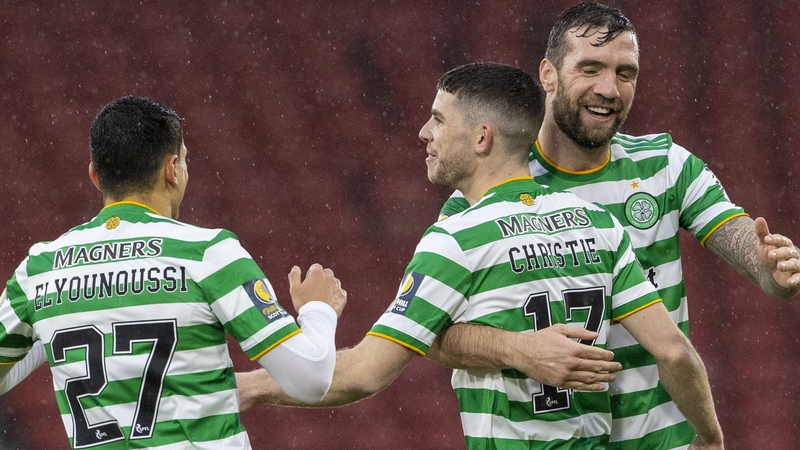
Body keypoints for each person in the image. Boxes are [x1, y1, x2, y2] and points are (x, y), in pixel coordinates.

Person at [236, 62, 724, 449]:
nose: (424, 132)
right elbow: (674, 351)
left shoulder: (457, 240)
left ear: (482, 138)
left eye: (438, 120)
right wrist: (709, 436)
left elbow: (364, 375)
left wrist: (254, 385)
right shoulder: (599, 225)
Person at [429, 3, 800, 449]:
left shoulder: (665, 166)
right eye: (590, 69)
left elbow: (741, 239)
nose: (609, 89)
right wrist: (519, 350)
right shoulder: (484, 193)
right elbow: (430, 333)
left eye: (625, 74)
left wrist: (770, 269)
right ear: (548, 75)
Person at [0, 96, 347, 449]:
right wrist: (318, 309)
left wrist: (52, 323)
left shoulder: (39, 270)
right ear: (172, 168)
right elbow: (310, 379)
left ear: (94, 175)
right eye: (185, 159)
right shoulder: (207, 252)